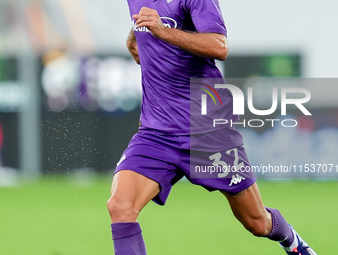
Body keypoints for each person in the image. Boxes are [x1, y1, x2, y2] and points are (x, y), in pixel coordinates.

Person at [107, 1, 317, 254]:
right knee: (120, 206)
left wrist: (162, 31)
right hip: (156, 134)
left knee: (257, 222)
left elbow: (219, 46)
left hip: (207, 133)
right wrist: (137, 36)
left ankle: (293, 242)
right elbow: (138, 39)